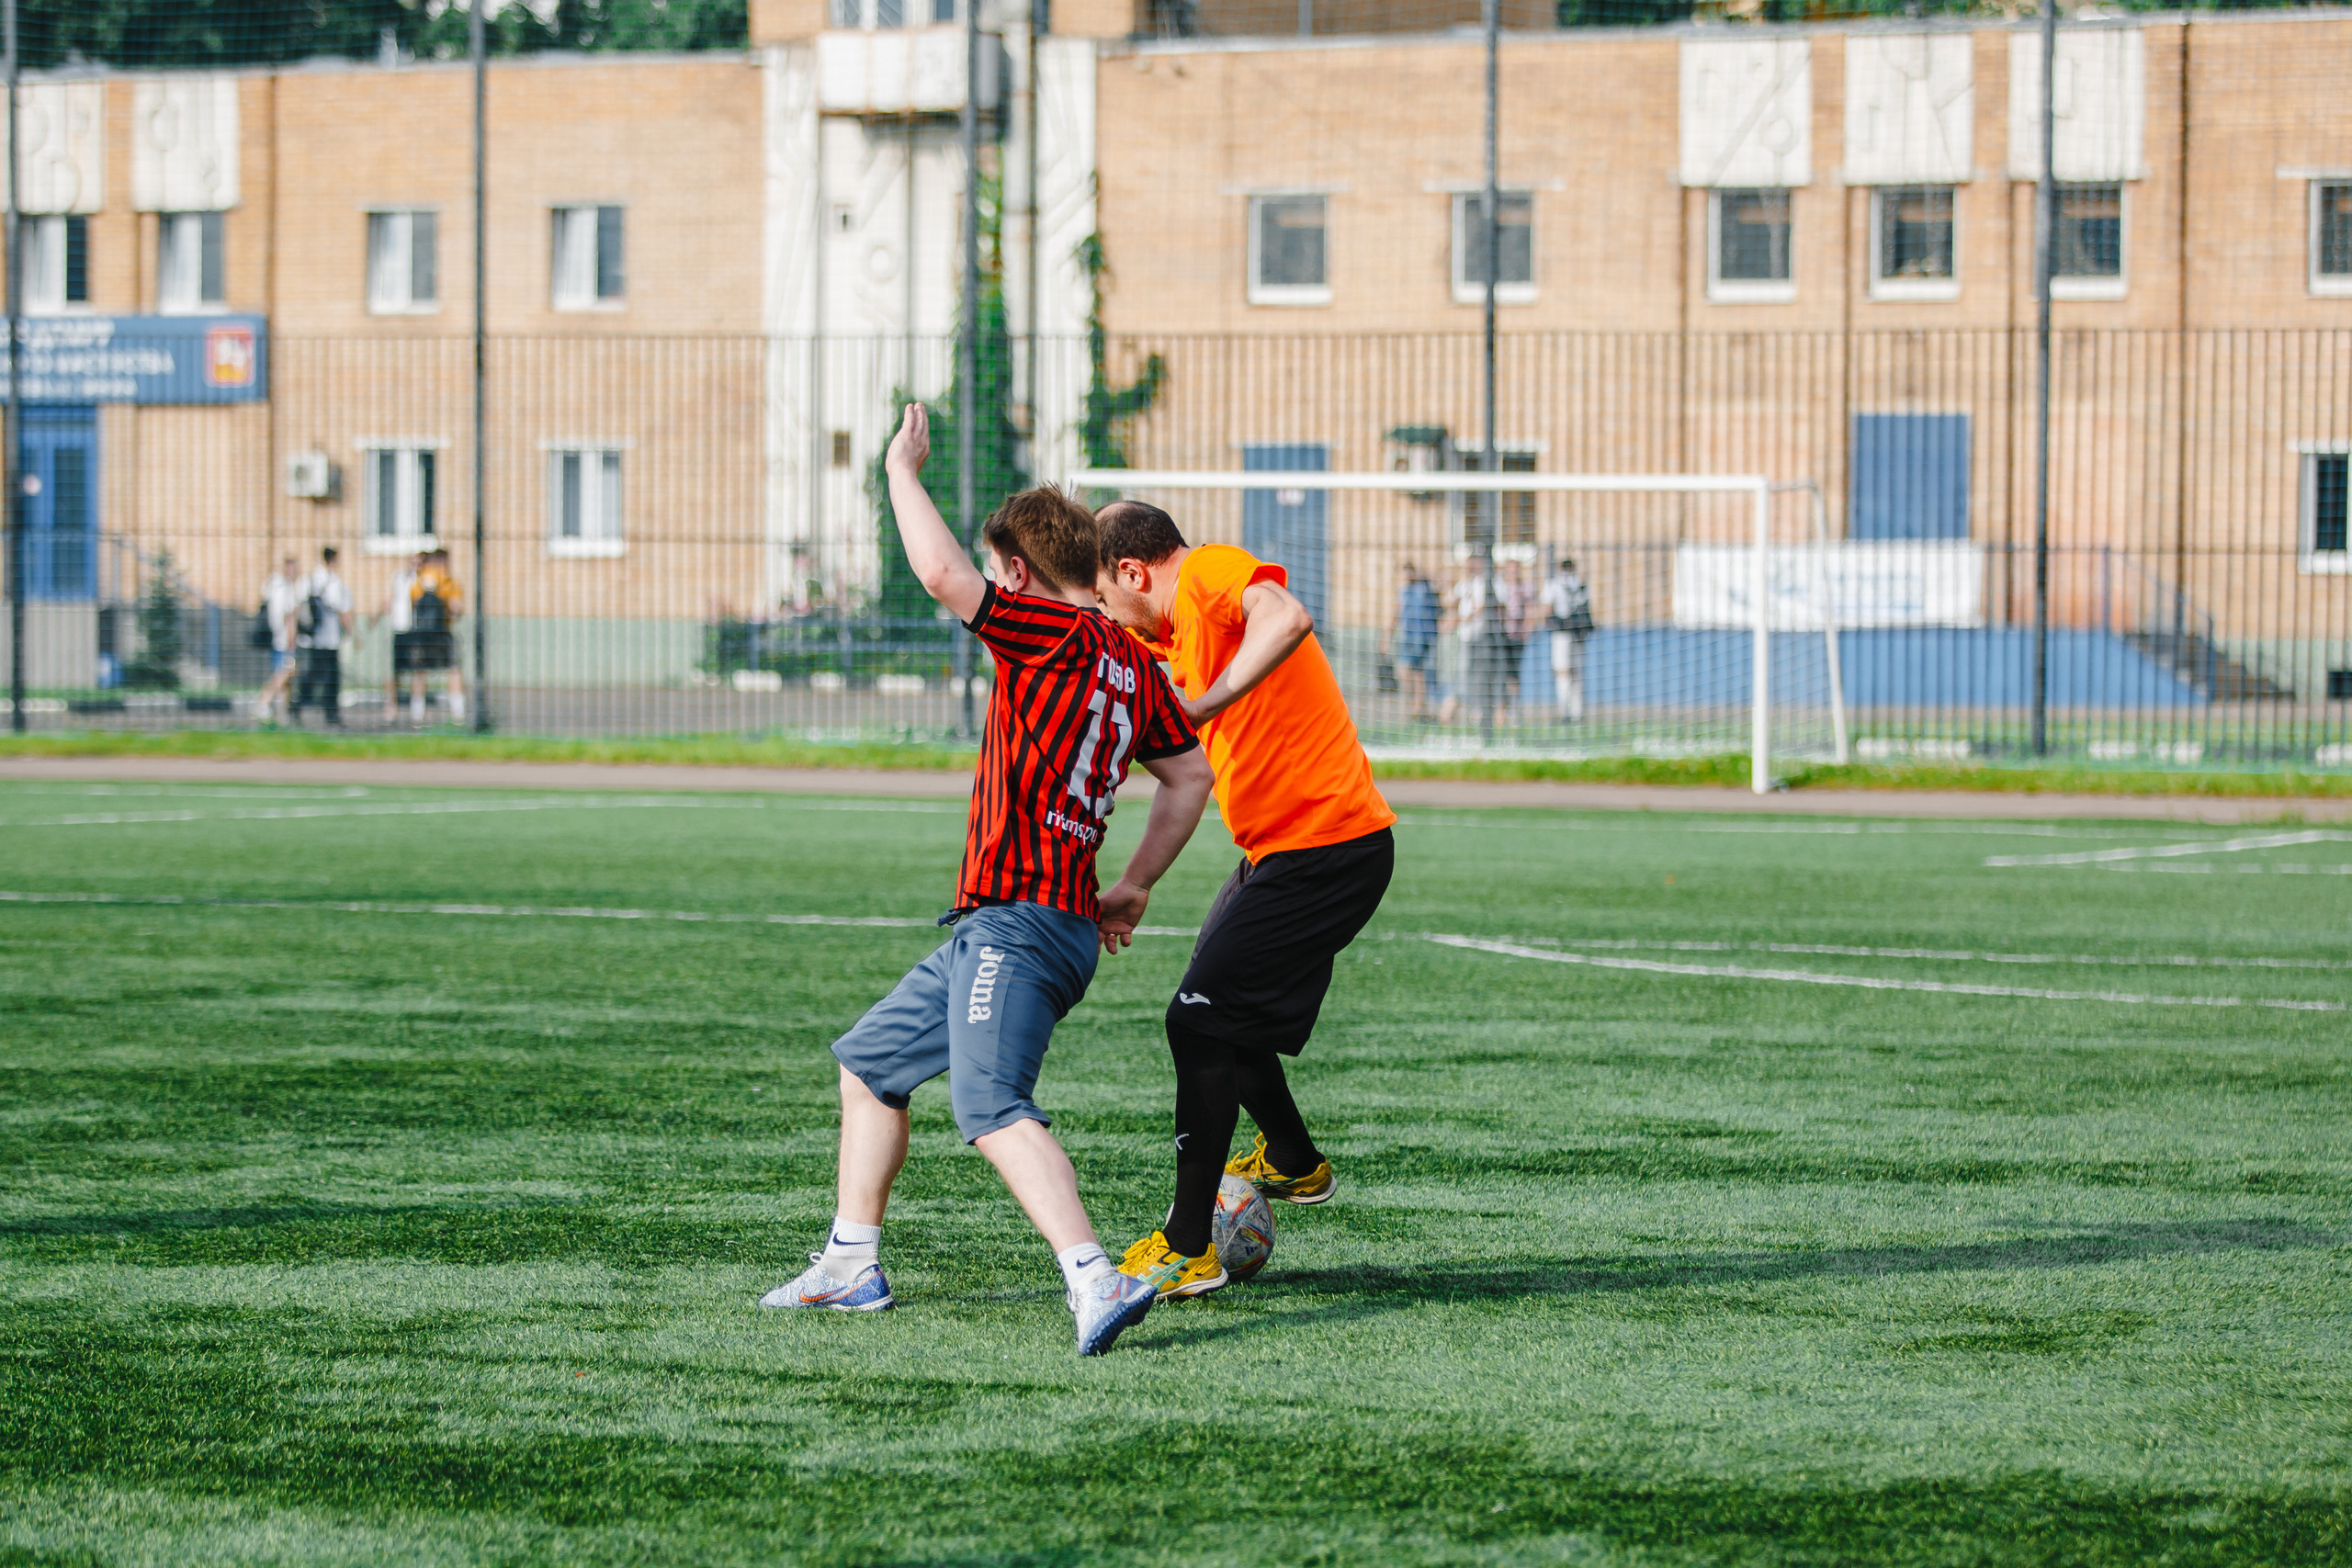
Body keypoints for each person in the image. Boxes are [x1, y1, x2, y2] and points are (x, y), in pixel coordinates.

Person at [760, 403, 1216, 1358]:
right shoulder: (1136, 660)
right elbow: (1189, 776)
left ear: (1018, 571)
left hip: (1019, 923)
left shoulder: (1049, 633)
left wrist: (899, 471)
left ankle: (1093, 1278)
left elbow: (936, 574)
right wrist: (1132, 885)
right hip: (1026, 925)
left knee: (991, 1104)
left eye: (996, 567)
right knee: (870, 1066)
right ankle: (851, 1261)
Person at [1095, 500, 1398, 1300]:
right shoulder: (1157, 634)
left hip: (1329, 848)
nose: (1104, 610)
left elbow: (1285, 614)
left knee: (1196, 1018)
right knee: (1220, 1012)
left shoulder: (1205, 574)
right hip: (1283, 855)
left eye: (1103, 595)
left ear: (1134, 572)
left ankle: (1188, 1245)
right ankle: (1295, 1163)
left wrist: (1199, 704)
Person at [1439, 558, 1510, 731]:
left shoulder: (1491, 582)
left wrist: (1462, 619)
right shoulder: (1465, 583)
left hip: (1486, 637)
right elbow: (1450, 602)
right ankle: (1457, 711)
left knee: (1487, 675)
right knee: (1464, 674)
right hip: (1465, 637)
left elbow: (1486, 606)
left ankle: (1493, 714)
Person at [289, 545, 354, 727]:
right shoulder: (334, 582)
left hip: (311, 638)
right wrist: (352, 633)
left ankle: (297, 704)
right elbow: (343, 610)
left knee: (313, 675)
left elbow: (295, 608)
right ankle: (330, 712)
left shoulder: (309, 579)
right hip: (328, 639)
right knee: (330, 677)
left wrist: (292, 632)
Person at [405, 549, 468, 724]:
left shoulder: (419, 579)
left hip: (422, 633)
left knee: (420, 672)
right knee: (453, 669)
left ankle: (417, 715)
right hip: (442, 632)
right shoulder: (448, 581)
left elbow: (412, 602)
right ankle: (458, 715)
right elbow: (457, 609)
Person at [1541, 555, 1594, 724]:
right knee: (1577, 673)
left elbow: (1546, 608)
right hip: (1578, 634)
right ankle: (1578, 712)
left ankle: (1565, 712)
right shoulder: (1580, 583)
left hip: (1561, 634)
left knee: (1562, 672)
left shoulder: (1554, 583)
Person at [255, 554, 303, 721]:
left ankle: (282, 712)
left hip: (280, 639)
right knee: (283, 674)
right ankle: (263, 702)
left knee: (286, 677)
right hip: (284, 641)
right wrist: (291, 639)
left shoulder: (277, 587)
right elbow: (288, 616)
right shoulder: (285, 589)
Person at [1390, 561, 1440, 720]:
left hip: (1420, 637)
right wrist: (1387, 635)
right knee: (1405, 672)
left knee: (1418, 674)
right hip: (1407, 637)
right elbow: (1397, 613)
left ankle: (1419, 708)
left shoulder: (1422, 589)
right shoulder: (1403, 592)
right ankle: (1417, 705)